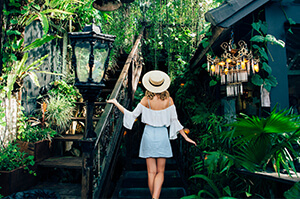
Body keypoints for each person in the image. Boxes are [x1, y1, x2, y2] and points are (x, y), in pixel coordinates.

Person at [107, 70, 197, 199]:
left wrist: (116, 103)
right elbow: (175, 121)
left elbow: (131, 115)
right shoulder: (169, 100)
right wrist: (186, 137)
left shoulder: (145, 100)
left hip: (148, 134)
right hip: (162, 135)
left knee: (151, 172)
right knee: (160, 171)